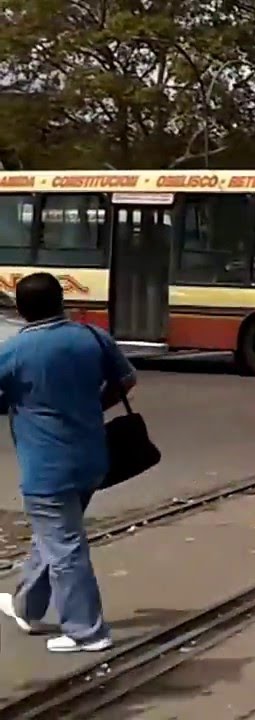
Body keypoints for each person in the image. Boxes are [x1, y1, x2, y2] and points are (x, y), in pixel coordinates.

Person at [0, 272, 136, 653]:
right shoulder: (92, 336)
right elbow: (126, 379)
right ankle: (27, 607)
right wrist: (91, 406)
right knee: (57, 535)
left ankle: (87, 631)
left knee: (64, 546)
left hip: (47, 466)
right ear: (62, 300)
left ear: (21, 310)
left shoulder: (14, 352)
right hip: (93, 457)